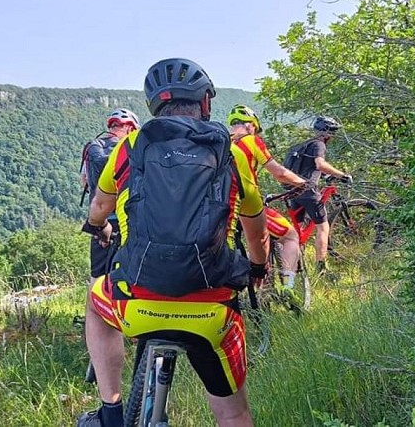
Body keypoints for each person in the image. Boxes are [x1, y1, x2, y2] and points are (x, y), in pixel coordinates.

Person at [78, 58, 269, 427]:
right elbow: (256, 230)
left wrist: (96, 227)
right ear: (206, 104)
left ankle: (111, 411)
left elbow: (100, 206)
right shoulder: (232, 155)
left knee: (95, 299)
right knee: (233, 412)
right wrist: (259, 267)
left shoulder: (130, 146)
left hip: (136, 302)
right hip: (212, 310)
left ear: (154, 107)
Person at [227, 104, 306, 295]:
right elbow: (279, 173)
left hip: (223, 210)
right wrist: (303, 183)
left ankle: (257, 295)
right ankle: (287, 287)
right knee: (291, 236)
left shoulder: (222, 142)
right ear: (251, 125)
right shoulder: (251, 140)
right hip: (246, 207)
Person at [284, 116, 352, 277]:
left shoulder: (303, 145)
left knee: (297, 229)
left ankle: (293, 266)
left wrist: (323, 176)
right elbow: (319, 164)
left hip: (293, 190)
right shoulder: (319, 145)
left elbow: (308, 168)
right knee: (323, 226)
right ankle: (321, 267)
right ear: (329, 133)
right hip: (307, 190)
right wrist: (341, 175)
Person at [80, 108, 141, 281]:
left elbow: (84, 181)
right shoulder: (130, 148)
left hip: (100, 220)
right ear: (130, 128)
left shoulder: (93, 147)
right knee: (129, 276)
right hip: (128, 219)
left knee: (97, 279)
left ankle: (95, 308)